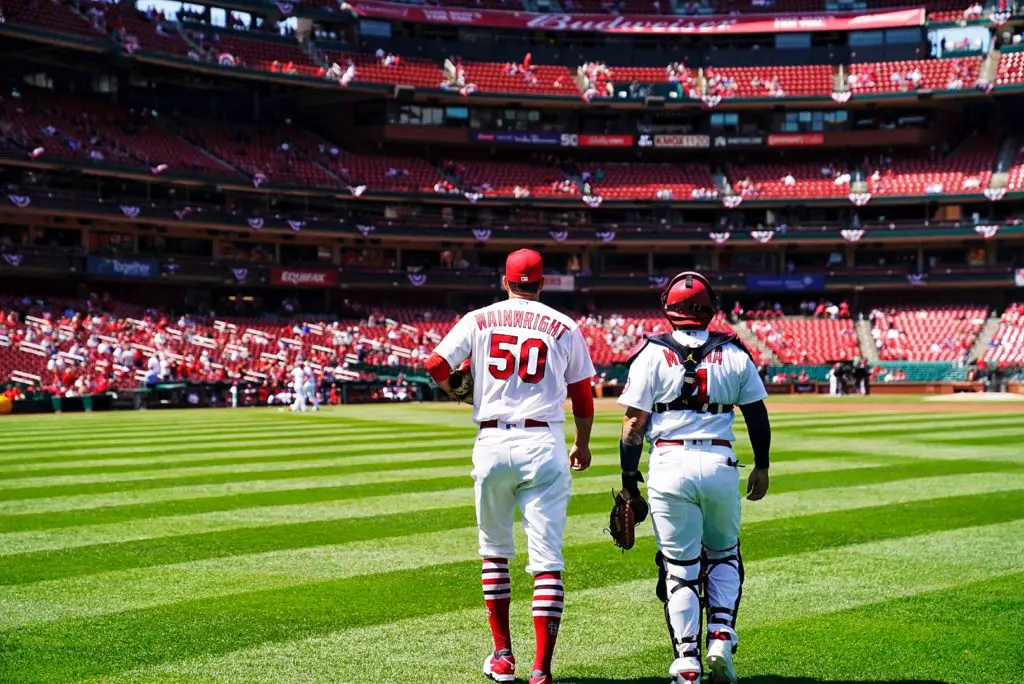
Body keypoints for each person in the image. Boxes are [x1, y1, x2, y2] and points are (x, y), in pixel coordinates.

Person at [425, 249, 596, 684]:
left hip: (492, 440)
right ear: (542, 283)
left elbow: (434, 364)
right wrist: (583, 443)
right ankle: (541, 669)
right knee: (547, 562)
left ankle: (503, 656)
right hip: (543, 441)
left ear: (505, 281)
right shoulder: (565, 325)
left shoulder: (479, 317)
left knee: (495, 553)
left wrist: (453, 389)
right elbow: (582, 395)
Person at [616, 271, 771, 684]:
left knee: (679, 567)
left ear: (669, 308)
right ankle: (720, 634)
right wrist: (762, 465)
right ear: (711, 308)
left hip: (669, 464)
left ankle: (687, 661)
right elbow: (757, 414)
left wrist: (630, 483)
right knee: (723, 554)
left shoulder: (649, 354)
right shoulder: (735, 352)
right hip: (720, 463)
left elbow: (633, 425)